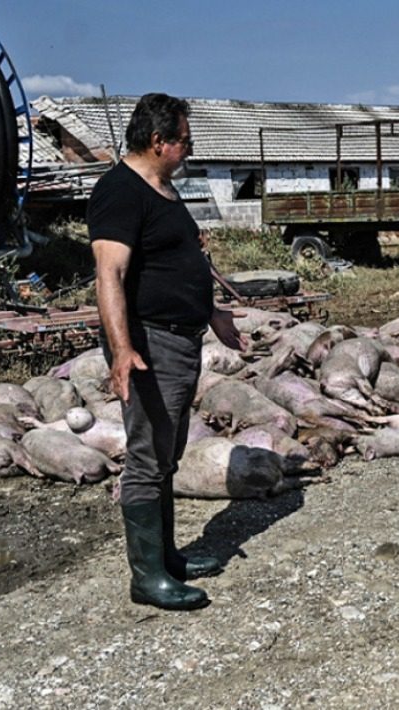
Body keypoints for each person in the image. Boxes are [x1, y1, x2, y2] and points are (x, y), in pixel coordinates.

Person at [88, 93, 245, 611]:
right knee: (147, 458)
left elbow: (181, 262)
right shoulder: (120, 193)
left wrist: (212, 312)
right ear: (160, 142)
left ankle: (168, 556)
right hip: (151, 343)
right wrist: (122, 350)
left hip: (182, 337)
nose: (190, 149)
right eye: (186, 140)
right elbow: (109, 274)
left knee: (167, 454)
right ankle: (148, 576)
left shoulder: (163, 188)